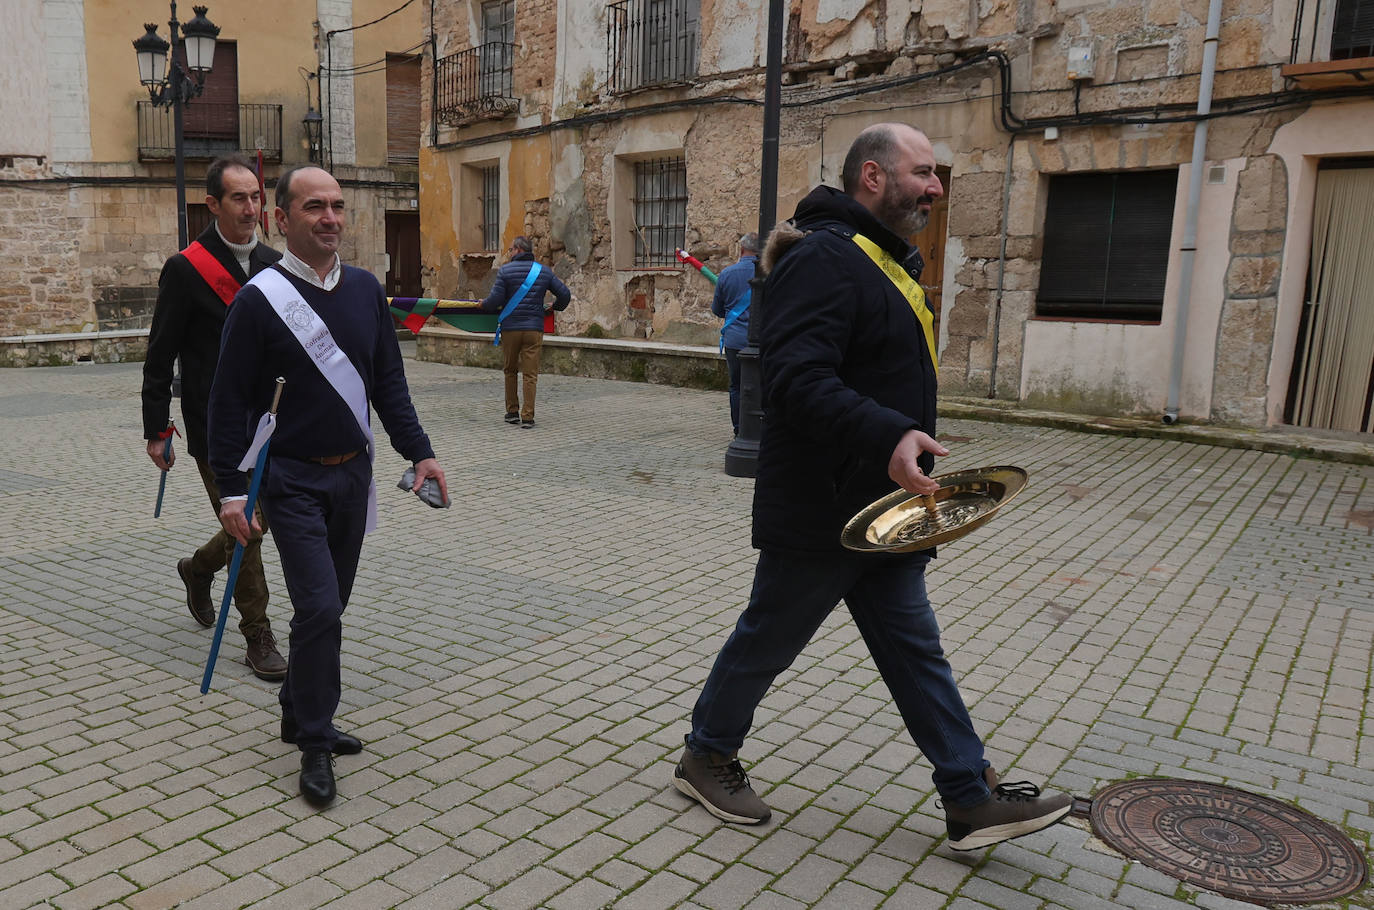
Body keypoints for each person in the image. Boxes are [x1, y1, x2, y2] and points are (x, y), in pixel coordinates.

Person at [672, 123, 1072, 851]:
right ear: (873, 178)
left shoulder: (881, 261)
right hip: (823, 508)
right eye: (922, 172)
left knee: (916, 651)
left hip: (885, 510)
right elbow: (794, 382)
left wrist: (899, 445)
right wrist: (889, 432)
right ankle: (706, 753)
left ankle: (966, 794)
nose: (936, 187)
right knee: (767, 640)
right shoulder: (824, 259)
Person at [208, 165, 448, 808]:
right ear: (280, 219)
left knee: (328, 607)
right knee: (318, 610)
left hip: (354, 476)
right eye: (314, 207)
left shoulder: (368, 291)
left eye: (338, 206)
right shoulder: (258, 300)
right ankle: (313, 740)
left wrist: (420, 454)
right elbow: (227, 403)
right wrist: (233, 492)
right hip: (290, 481)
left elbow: (388, 384)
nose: (331, 218)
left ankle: (295, 707)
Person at [141, 155, 287, 682]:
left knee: (258, 521)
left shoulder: (276, 263)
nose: (252, 208)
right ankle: (257, 634)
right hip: (213, 425)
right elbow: (160, 355)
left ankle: (197, 568)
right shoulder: (186, 268)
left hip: (271, 423)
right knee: (247, 527)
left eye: (256, 197)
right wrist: (157, 429)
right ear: (213, 204)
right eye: (239, 198)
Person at [479, 235, 571, 428]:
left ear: (519, 250)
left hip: (511, 329)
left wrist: (483, 305)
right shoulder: (544, 272)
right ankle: (528, 416)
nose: (510, 253)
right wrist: (555, 307)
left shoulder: (505, 271)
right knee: (530, 374)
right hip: (533, 329)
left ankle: (512, 412)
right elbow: (564, 294)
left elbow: (494, 301)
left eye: (511, 249)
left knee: (510, 370)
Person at [710, 233, 759, 435]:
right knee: (761, 384)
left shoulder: (727, 274)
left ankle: (739, 430)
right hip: (761, 340)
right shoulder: (769, 273)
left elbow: (717, 309)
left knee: (736, 387)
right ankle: (758, 427)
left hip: (735, 339)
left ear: (740, 250)